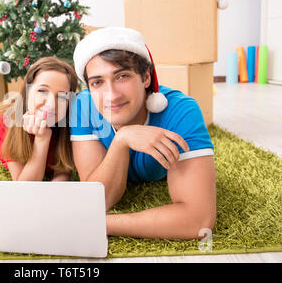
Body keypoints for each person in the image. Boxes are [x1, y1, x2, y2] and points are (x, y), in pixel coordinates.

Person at [69, 27, 216, 240]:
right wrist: (122, 140)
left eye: (122, 76)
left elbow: (198, 221)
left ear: (146, 77)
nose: (111, 95)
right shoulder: (83, 106)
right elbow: (99, 200)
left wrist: (100, 223)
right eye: (97, 82)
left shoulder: (181, 112)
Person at [0, 57, 78, 182]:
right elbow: (25, 186)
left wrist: (55, 190)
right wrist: (42, 139)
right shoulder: (5, 119)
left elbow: (63, 170)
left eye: (62, 96)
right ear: (27, 91)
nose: (51, 104)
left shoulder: (72, 119)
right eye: (42, 91)